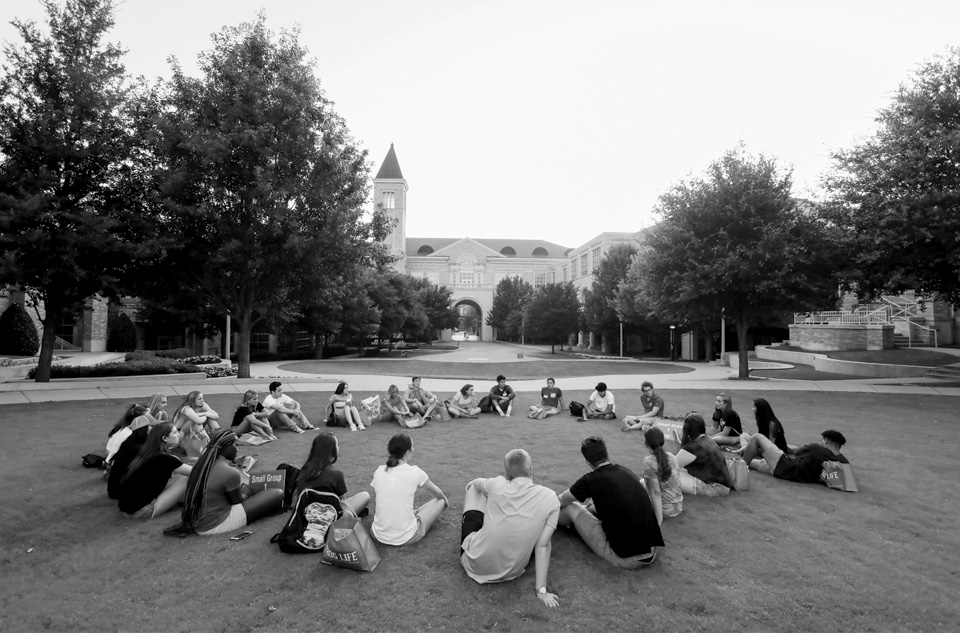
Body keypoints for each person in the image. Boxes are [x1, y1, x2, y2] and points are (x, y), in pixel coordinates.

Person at [460, 449, 560, 608]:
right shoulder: (551, 498)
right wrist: (541, 591)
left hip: (474, 562)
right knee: (541, 535)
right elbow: (543, 545)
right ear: (531, 470)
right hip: (512, 570)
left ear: (506, 474)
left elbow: (476, 483)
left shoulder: (496, 484)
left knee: (474, 489)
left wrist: (479, 486)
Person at [558, 437, 664, 569]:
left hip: (626, 557)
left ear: (587, 461)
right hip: (652, 549)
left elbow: (562, 500)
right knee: (591, 505)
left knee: (571, 507)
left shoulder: (590, 480)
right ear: (607, 452)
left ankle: (548, 521)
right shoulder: (625, 471)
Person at [163, 430, 283, 537]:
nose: (238, 449)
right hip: (215, 524)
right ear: (225, 448)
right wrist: (246, 493)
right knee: (277, 493)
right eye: (235, 445)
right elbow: (237, 501)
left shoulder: (202, 464)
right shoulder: (230, 472)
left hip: (198, 522)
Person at [370, 434, 448, 546]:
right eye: (413, 446)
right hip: (406, 536)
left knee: (410, 509)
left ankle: (408, 516)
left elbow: (378, 502)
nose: (414, 449)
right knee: (440, 501)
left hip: (378, 533)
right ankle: (410, 518)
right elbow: (438, 493)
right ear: (407, 452)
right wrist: (445, 500)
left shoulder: (379, 471)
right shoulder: (415, 472)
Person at [115, 422, 193, 518]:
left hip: (126, 508)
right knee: (189, 478)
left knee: (180, 474)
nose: (178, 435)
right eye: (175, 433)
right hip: (142, 511)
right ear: (164, 438)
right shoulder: (165, 459)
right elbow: (197, 471)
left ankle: (187, 499)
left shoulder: (147, 453)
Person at [295, 432, 370, 515]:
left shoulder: (304, 469)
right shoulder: (336, 474)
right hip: (330, 516)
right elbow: (343, 503)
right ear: (332, 449)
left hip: (305, 514)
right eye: (337, 445)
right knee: (365, 496)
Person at [737, 429, 849, 483]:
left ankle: (739, 469)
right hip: (789, 474)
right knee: (751, 462)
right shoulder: (843, 462)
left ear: (826, 441)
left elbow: (798, 453)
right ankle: (742, 459)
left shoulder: (817, 449)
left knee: (757, 437)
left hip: (785, 465)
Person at [676, 413, 733, 496]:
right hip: (721, 485)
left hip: (715, 488)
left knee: (666, 478)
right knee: (676, 472)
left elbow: (671, 465)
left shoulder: (693, 447)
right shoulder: (707, 439)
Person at [641, 427, 683, 522]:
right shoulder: (671, 456)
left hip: (666, 509)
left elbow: (656, 493)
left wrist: (658, 520)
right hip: (678, 505)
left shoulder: (648, 462)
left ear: (646, 443)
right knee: (642, 482)